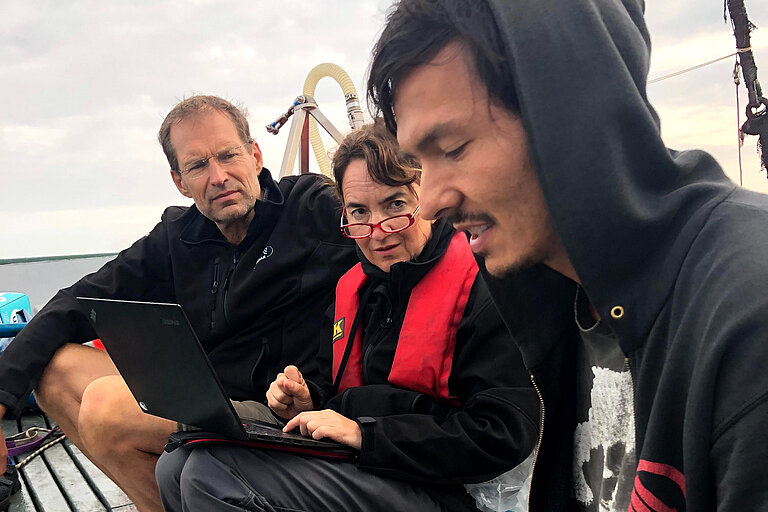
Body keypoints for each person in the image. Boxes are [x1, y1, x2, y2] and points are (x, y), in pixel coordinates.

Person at [366, 1, 768, 511]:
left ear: (572, 110)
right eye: (419, 163)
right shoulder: (567, 302)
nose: (432, 201)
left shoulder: (749, 317)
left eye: (453, 148)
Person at [155, 121, 540, 511]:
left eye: (395, 205)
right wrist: (306, 401)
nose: (378, 231)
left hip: (451, 489)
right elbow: (333, 385)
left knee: (212, 476)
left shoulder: (485, 286)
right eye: (359, 211)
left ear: (429, 194)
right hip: (373, 469)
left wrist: (366, 435)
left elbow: (503, 432)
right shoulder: (353, 289)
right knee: (174, 465)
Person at [0, 95, 357, 511]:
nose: (219, 176)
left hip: (282, 407)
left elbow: (396, 217)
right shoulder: (178, 237)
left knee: (105, 408)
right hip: (207, 393)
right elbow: (78, 301)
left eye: (228, 155)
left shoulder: (311, 210)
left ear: (256, 155)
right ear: (179, 181)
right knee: (57, 371)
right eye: (198, 165)